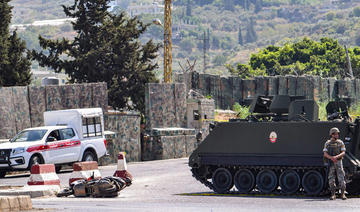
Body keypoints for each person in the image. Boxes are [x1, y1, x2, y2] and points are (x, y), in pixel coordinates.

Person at [323, 127, 347, 200]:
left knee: (341, 178)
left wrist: (336, 157)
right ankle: (333, 194)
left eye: (337, 134)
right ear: (332, 134)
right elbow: (325, 153)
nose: (337, 135)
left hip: (339, 162)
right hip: (331, 162)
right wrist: (331, 158)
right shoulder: (327, 143)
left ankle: (342, 194)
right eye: (336, 134)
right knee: (331, 179)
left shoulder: (340, 142)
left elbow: (343, 152)